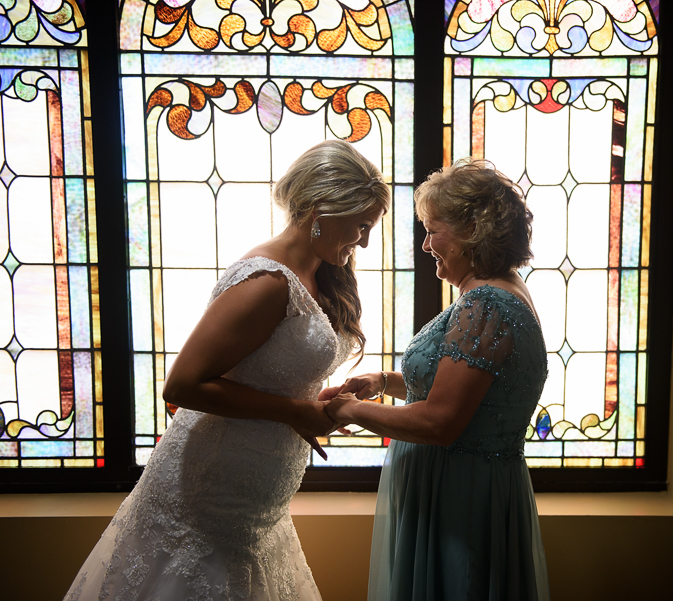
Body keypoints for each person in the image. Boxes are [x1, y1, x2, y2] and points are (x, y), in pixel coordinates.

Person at [64, 140, 391, 601]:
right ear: (322, 207)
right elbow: (182, 386)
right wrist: (295, 411)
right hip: (211, 489)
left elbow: (270, 374)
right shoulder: (266, 282)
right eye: (361, 226)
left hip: (258, 498)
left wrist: (312, 401)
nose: (364, 240)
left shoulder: (322, 273)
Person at [323, 158, 551, 601]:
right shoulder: (502, 290)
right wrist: (382, 380)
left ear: (472, 230)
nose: (426, 244)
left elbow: (439, 422)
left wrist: (345, 409)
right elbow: (469, 388)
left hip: (458, 497)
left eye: (433, 229)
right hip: (472, 487)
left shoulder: (485, 303)